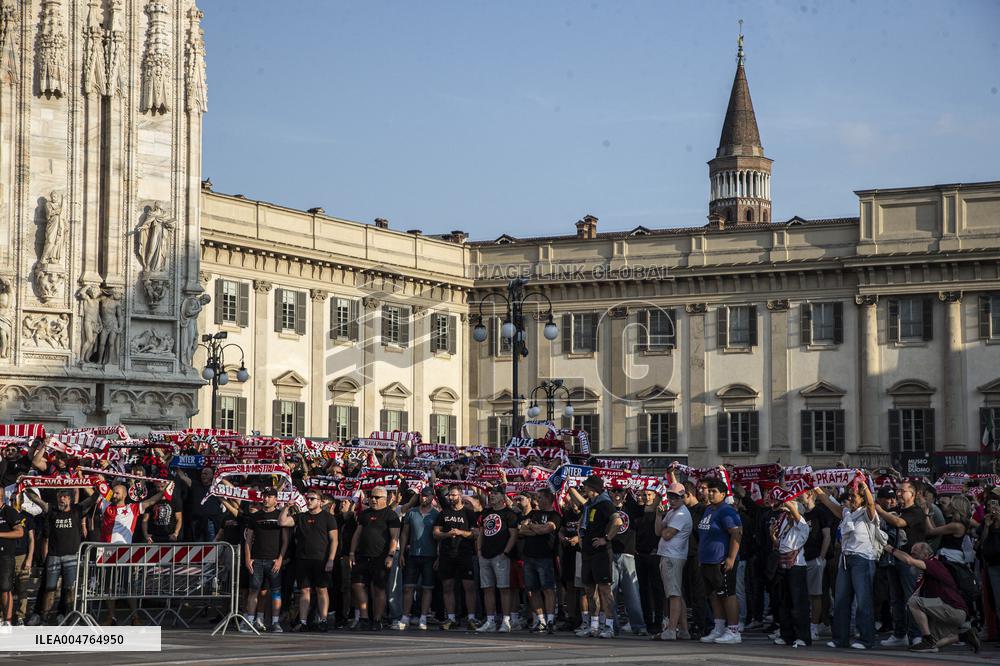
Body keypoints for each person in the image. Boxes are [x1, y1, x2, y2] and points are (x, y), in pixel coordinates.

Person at [884, 541, 980, 654]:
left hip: (953, 609)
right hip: (949, 610)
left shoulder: (933, 563)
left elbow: (908, 560)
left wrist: (890, 549)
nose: (912, 556)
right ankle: (964, 636)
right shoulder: (925, 573)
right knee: (934, 645)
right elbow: (909, 560)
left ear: (925, 554)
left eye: (915, 553)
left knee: (914, 602)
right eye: (911, 553)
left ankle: (927, 639)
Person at [815, 479, 879, 650]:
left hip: (862, 559)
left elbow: (872, 504)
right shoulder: (846, 513)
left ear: (862, 499)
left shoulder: (867, 512)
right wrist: (813, 485)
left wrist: (864, 486)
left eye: (854, 497)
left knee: (863, 601)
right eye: (849, 497)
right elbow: (827, 501)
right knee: (841, 600)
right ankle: (840, 638)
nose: (850, 500)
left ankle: (866, 639)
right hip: (845, 559)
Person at [28, 488, 98, 624]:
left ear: (70, 499)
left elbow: (92, 499)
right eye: (60, 496)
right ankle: (44, 619)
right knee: (49, 589)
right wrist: (25, 486)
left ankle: (68, 617)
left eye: (65, 496)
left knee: (69, 590)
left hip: (71, 557)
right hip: (54, 556)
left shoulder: (77, 510)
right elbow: (35, 499)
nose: (62, 499)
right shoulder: (51, 509)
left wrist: (99, 487)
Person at [569, 474, 622, 639]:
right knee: (590, 590)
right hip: (587, 552)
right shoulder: (589, 505)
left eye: (586, 486)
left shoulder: (605, 503)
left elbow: (618, 523)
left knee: (605, 589)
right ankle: (593, 626)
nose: (584, 488)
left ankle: (610, 626)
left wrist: (606, 539)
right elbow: (577, 499)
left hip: (601, 553)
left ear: (593, 489)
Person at [875, 480, 927, 647]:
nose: (898, 494)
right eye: (898, 491)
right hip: (892, 558)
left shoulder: (916, 511)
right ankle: (899, 634)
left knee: (911, 598)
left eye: (903, 491)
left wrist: (880, 510)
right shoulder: (895, 510)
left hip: (909, 561)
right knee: (896, 599)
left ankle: (916, 635)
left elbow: (899, 523)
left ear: (913, 494)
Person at [280, 491, 338, 632]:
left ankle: (323, 620)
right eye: (308, 499)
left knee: (321, 589)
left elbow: (334, 540)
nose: (309, 501)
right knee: (304, 590)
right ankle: (303, 621)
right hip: (303, 559)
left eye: (313, 499)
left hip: (321, 559)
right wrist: (286, 507)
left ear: (320, 501)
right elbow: (282, 522)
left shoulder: (328, 517)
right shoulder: (301, 516)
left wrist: (330, 559)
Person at [696, 477, 743, 645]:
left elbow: (736, 533)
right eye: (709, 490)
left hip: (721, 560)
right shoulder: (709, 510)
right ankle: (719, 627)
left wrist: (730, 558)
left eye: (714, 491)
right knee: (714, 595)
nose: (710, 493)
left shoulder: (726, 510)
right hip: (707, 560)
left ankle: (734, 630)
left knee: (727, 594)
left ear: (723, 494)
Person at [348, 486, 400, 631]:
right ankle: (364, 617)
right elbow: (357, 534)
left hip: (381, 557)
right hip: (363, 556)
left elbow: (394, 537)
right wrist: (352, 553)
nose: (373, 500)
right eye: (371, 497)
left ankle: (377, 619)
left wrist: (390, 555)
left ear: (385, 499)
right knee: (357, 585)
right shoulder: (365, 514)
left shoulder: (391, 515)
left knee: (379, 589)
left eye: (377, 497)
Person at [433, 484, 479, 630]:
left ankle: (471, 618)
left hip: (465, 554)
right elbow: (435, 533)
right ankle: (451, 618)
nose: (451, 497)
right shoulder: (444, 513)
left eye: (454, 495)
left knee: (469, 587)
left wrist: (460, 533)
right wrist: (447, 534)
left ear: (460, 495)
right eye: (449, 495)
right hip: (447, 554)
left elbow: (475, 534)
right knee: (447, 586)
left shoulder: (469, 513)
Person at [242, 487, 287, 633]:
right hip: (257, 559)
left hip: (274, 560)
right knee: (253, 590)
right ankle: (249, 621)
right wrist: (248, 558)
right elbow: (248, 539)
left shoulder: (280, 515)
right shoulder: (255, 517)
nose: (266, 499)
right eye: (264, 496)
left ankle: (275, 622)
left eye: (269, 496)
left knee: (275, 592)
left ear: (276, 499)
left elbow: (285, 541)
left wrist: (280, 559)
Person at [475, 487, 518, 633]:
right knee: (487, 589)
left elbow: (513, 535)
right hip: (485, 555)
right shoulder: (486, 512)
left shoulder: (509, 514)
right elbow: (481, 532)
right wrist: (479, 551)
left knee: (504, 589)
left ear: (502, 497)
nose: (492, 496)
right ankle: (490, 620)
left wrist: (505, 552)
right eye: (491, 493)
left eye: (495, 493)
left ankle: (506, 621)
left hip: (500, 555)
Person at [396, 485, 439, 631]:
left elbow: (439, 539)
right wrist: (401, 553)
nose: (423, 498)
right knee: (408, 587)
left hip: (430, 556)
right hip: (413, 555)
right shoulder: (412, 512)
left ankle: (422, 617)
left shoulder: (437, 514)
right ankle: (405, 616)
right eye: (422, 495)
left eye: (427, 496)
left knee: (427, 588)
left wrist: (438, 557)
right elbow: (404, 534)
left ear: (432, 497)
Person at [518, 488, 561, 634]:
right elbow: (521, 530)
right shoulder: (534, 513)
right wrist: (536, 528)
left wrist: (532, 527)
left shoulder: (555, 515)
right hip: (529, 556)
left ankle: (550, 620)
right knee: (532, 590)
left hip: (545, 557)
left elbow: (547, 529)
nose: (537, 500)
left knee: (548, 589)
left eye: (540, 497)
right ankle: (541, 620)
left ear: (548, 499)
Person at [608, 485, 648, 635]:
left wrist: (629, 485)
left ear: (625, 493)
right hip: (610, 553)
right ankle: (613, 625)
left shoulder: (630, 507)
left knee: (632, 593)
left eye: (620, 490)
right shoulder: (606, 507)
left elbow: (643, 506)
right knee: (611, 593)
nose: (617, 494)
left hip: (628, 554)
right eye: (614, 490)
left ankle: (638, 626)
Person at [771, 497, 810, 648]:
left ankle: (802, 636)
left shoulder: (802, 526)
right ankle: (787, 634)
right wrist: (772, 536)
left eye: (789, 513)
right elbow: (780, 545)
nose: (787, 515)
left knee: (798, 604)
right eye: (786, 513)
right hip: (784, 565)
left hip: (797, 567)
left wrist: (786, 499)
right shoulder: (786, 526)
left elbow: (796, 513)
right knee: (785, 603)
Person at [654, 482, 691, 641]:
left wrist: (663, 530)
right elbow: (658, 532)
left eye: (676, 497)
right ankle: (683, 630)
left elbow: (667, 534)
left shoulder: (682, 514)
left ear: (683, 498)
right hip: (669, 555)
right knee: (676, 594)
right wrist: (658, 515)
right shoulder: (671, 513)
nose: (672, 500)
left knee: (674, 594)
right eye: (670, 497)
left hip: (673, 557)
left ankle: (671, 630)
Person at [801, 489, 833, 640]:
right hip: (801, 558)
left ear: (809, 495)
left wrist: (821, 557)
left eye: (801, 492)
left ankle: (814, 626)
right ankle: (806, 624)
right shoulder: (801, 513)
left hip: (815, 558)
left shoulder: (820, 512)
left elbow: (827, 536)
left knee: (816, 594)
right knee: (804, 595)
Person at [0, 486, 26, 627]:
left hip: (5, 555)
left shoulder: (9, 512)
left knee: (5, 589)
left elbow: (19, 532)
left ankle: (7, 621)